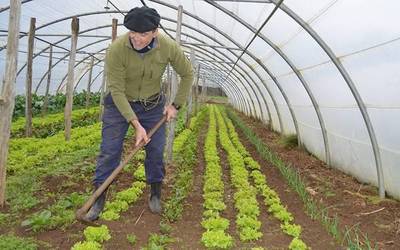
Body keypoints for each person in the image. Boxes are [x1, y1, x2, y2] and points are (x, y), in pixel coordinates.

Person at [84, 6, 194, 221]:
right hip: (119, 105)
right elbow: (116, 89)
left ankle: (155, 192)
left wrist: (175, 105)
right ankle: (98, 198)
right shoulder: (116, 49)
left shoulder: (168, 47)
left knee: (155, 150)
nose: (137, 38)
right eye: (133, 32)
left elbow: (187, 74)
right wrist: (135, 124)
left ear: (155, 32)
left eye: (143, 34)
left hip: (152, 106)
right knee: (110, 151)